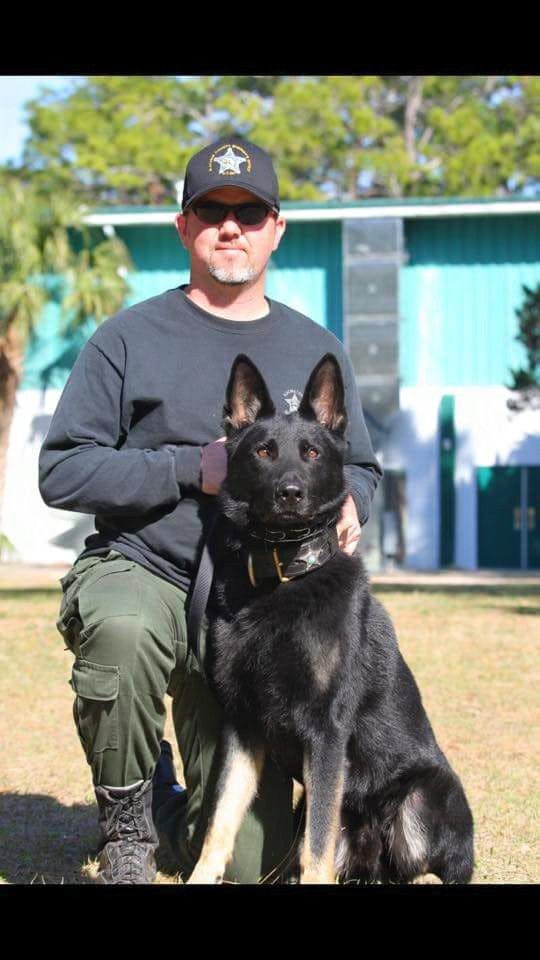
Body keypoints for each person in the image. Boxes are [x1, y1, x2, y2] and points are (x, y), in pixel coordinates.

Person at [38, 137, 383, 884]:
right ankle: (127, 820)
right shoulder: (127, 338)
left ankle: (173, 804)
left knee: (250, 864)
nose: (232, 227)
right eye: (212, 211)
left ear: (276, 226)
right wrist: (191, 467)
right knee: (123, 635)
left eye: (250, 211)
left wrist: (359, 497)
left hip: (262, 599)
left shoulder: (315, 345)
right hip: (149, 568)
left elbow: (362, 462)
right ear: (184, 226)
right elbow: (62, 470)